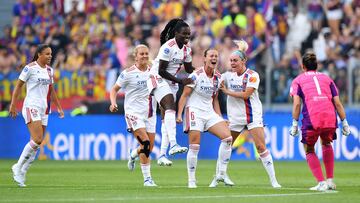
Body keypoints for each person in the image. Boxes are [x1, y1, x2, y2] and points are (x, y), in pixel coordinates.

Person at [220, 40, 281, 188]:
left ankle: (274, 181)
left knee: (260, 147)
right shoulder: (227, 76)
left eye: (236, 60)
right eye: (231, 61)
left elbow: (247, 94)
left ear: (243, 61)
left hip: (252, 116)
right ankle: (220, 175)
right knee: (227, 142)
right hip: (235, 117)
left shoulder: (253, 75)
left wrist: (227, 92)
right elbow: (213, 81)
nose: (233, 63)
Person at [289, 52, 351, 191]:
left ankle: (321, 183)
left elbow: (297, 104)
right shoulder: (327, 79)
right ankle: (330, 181)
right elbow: (337, 102)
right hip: (330, 117)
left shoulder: (298, 80)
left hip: (313, 118)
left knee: (309, 148)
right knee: (327, 143)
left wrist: (294, 124)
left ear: (302, 66)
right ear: (316, 66)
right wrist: (345, 122)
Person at [177, 48, 234, 188]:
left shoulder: (218, 77)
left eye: (216, 56)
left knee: (228, 138)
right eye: (211, 56)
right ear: (205, 59)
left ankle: (221, 174)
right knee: (195, 146)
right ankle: (191, 180)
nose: (214, 58)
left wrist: (220, 118)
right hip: (194, 111)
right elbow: (184, 95)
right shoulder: (195, 75)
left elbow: (214, 99)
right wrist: (179, 114)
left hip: (209, 113)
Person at [9, 44, 64, 187]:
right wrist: (13, 104)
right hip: (31, 106)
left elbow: (51, 90)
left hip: (45, 109)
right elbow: (18, 86)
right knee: (38, 139)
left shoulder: (50, 71)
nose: (50, 56)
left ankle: (23, 171)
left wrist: (58, 107)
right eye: (47, 54)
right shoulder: (30, 68)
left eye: (51, 53)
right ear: (39, 54)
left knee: (37, 143)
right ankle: (18, 166)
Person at [146, 18, 194, 166]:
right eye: (184, 34)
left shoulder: (187, 50)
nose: (186, 37)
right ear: (176, 33)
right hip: (157, 77)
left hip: (171, 83)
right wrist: (181, 81)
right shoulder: (168, 47)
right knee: (170, 108)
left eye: (188, 35)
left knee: (167, 117)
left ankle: (161, 155)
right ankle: (173, 144)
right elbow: (161, 70)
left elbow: (189, 70)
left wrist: (203, 72)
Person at [109, 44, 157, 187]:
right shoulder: (127, 73)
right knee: (145, 144)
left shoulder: (153, 72)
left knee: (149, 148)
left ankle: (133, 154)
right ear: (135, 56)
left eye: (146, 53)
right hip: (133, 113)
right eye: (141, 54)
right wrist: (113, 102)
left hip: (150, 113)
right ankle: (147, 179)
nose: (144, 56)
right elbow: (114, 89)